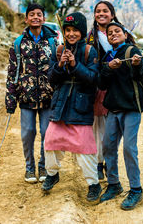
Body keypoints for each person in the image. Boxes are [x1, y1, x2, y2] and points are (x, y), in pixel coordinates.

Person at [41, 12, 101, 203]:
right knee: (50, 141)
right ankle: (52, 174)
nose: (71, 34)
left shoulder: (89, 51)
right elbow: (51, 79)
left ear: (82, 31)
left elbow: (94, 79)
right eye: (68, 30)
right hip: (60, 106)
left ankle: (94, 184)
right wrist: (60, 64)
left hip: (81, 106)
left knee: (85, 148)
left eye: (75, 30)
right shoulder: (59, 49)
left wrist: (75, 65)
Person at [5, 3, 57, 184]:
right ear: (26, 19)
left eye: (39, 14)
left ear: (44, 18)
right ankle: (29, 167)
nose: (36, 17)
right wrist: (10, 101)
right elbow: (12, 73)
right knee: (28, 132)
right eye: (32, 14)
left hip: (47, 96)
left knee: (46, 132)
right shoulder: (18, 44)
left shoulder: (53, 42)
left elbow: (58, 70)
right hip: (26, 96)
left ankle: (43, 165)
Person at [98, 22, 143, 210]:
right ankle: (114, 184)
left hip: (131, 109)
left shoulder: (132, 52)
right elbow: (101, 84)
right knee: (108, 146)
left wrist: (136, 65)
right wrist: (109, 68)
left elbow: (141, 76)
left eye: (117, 31)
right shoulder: (109, 56)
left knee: (128, 148)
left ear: (125, 34)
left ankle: (136, 189)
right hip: (113, 110)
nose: (113, 34)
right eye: (110, 33)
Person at [87, 1, 122, 180]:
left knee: (115, 127)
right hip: (99, 86)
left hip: (120, 87)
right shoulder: (90, 38)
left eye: (105, 11)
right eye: (98, 11)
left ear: (112, 14)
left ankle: (111, 161)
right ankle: (99, 162)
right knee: (99, 128)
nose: (101, 14)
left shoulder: (123, 35)